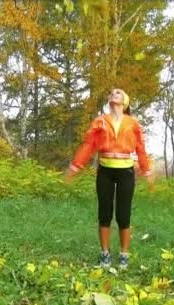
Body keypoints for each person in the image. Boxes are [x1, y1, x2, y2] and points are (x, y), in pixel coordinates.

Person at [66, 88, 154, 269]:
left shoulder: (133, 123)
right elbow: (88, 146)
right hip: (105, 171)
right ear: (109, 100)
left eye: (119, 92)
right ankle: (105, 254)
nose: (114, 93)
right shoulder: (100, 122)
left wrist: (146, 172)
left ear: (125, 101)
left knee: (123, 215)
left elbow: (140, 148)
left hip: (126, 173)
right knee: (104, 213)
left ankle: (124, 255)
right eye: (112, 92)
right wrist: (75, 167)